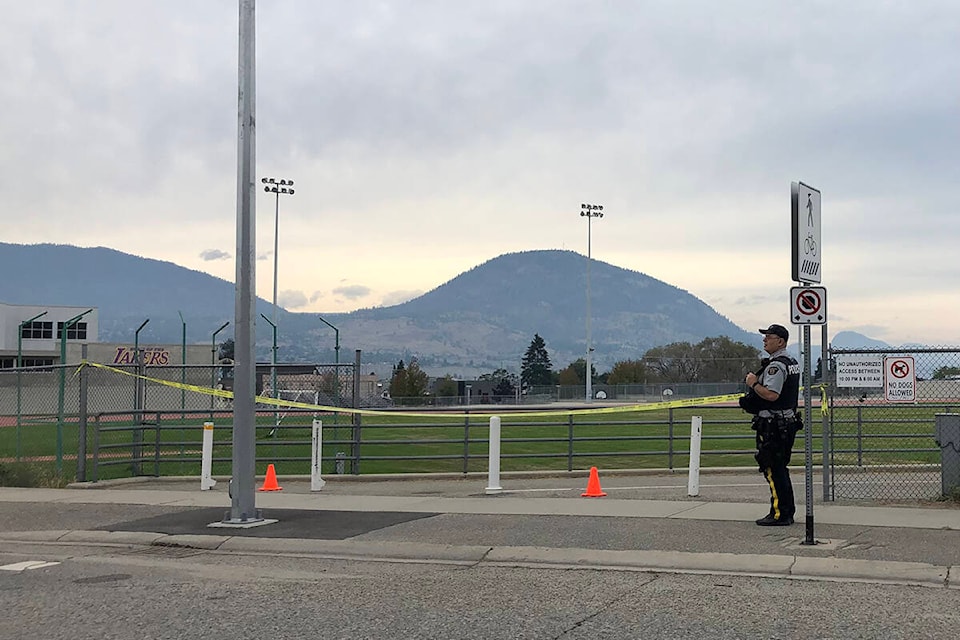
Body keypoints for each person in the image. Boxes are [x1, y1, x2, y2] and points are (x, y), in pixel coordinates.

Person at [744, 324, 802, 526]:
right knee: (779, 468)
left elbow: (771, 394)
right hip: (785, 423)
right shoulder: (791, 361)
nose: (764, 340)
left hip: (774, 425)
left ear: (781, 341)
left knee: (773, 467)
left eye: (769, 337)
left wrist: (753, 383)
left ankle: (780, 513)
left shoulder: (777, 366)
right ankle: (784, 510)